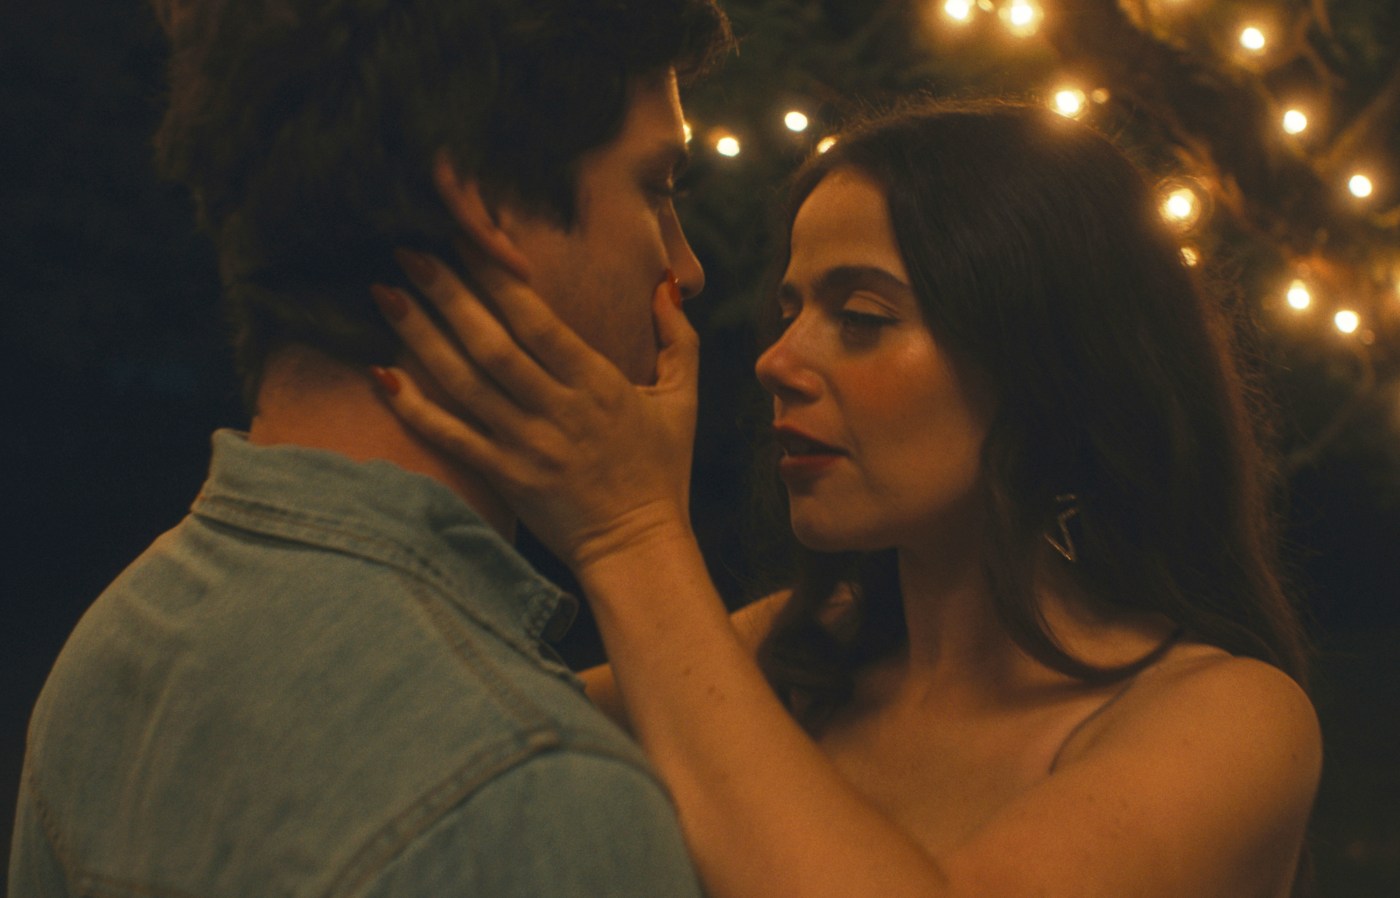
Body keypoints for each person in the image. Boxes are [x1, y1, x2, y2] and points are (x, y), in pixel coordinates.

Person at [368, 99, 1323, 897]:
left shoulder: (1226, 718)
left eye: (861, 317)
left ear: (1048, 360)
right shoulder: (795, 654)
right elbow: (428, 763)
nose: (776, 362)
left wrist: (631, 533)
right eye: (789, 311)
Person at [9, 1, 732, 896]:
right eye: (657, 187)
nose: (686, 266)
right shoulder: (533, 793)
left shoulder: (112, 652)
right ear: (488, 203)